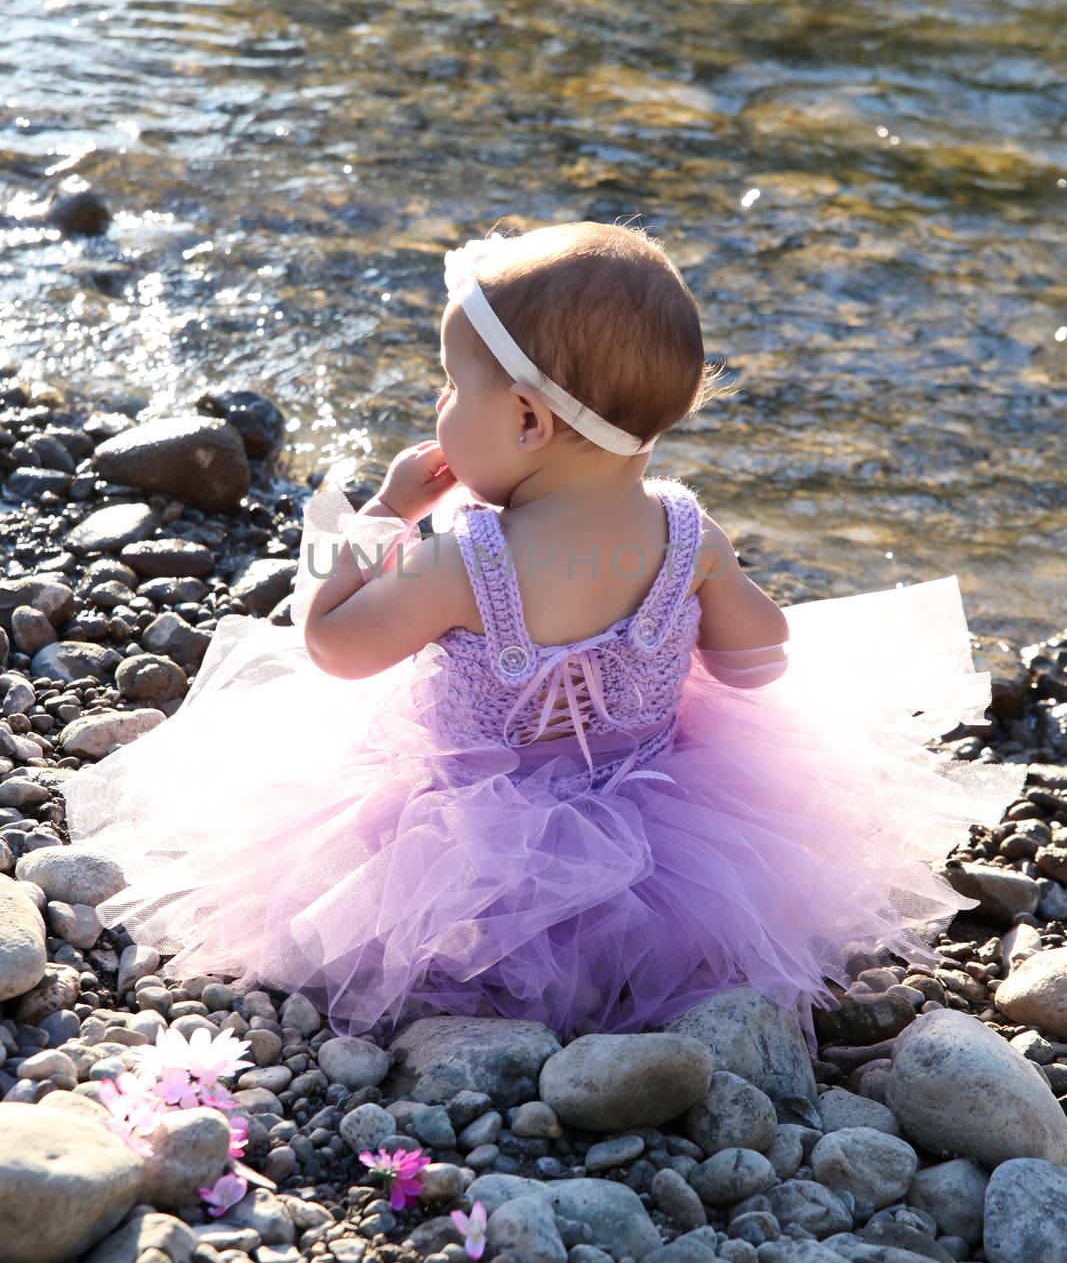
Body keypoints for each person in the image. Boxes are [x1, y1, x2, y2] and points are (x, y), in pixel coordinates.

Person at [63, 221, 1027, 1046]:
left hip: (468, 836)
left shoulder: (458, 560)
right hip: (662, 828)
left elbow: (331, 647)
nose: (439, 409)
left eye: (449, 386)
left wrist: (365, 524)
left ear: (527, 419)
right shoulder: (689, 534)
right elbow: (760, 658)